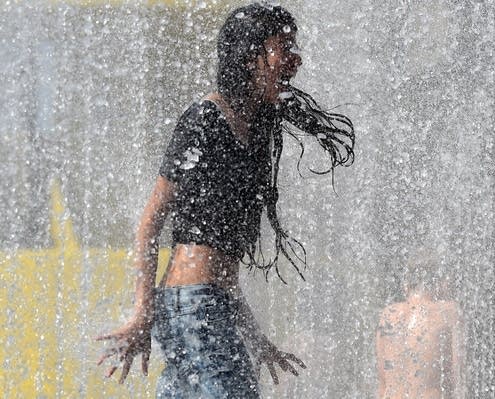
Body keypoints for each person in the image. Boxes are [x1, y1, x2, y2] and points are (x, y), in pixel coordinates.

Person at [95, 3, 354, 398]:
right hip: (192, 306)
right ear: (251, 57)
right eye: (282, 48)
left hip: (206, 306)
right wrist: (142, 314)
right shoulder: (205, 120)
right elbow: (151, 221)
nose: (295, 59)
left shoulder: (254, 128)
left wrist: (256, 339)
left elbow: (223, 276)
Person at [376, 250, 464, 399]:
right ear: (441, 282)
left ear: (406, 285)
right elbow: (458, 376)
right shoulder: (448, 312)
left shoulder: (387, 315)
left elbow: (382, 382)